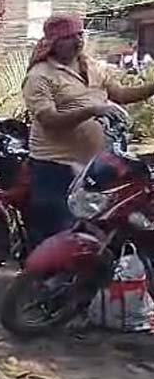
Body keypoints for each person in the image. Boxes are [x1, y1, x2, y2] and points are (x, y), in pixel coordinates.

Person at [22, 15, 154, 247]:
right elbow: (49, 120)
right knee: (57, 231)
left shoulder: (91, 65)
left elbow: (120, 94)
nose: (77, 41)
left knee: (96, 228)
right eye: (69, 37)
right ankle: (40, 280)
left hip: (96, 164)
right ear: (54, 42)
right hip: (56, 165)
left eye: (80, 35)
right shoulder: (40, 76)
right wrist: (92, 110)